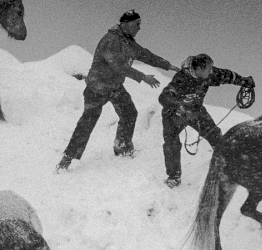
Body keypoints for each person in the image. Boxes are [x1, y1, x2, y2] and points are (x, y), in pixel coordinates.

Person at [56, 10, 177, 171]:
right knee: (87, 123)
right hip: (97, 87)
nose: (139, 28)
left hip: (115, 87)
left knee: (129, 113)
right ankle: (67, 159)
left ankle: (122, 147)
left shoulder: (129, 43)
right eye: (137, 24)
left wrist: (167, 65)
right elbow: (118, 66)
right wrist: (142, 77)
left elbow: (146, 55)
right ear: (126, 24)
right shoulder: (110, 40)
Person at [158, 54, 254, 188]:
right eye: (208, 69)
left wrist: (243, 80)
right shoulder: (181, 78)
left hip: (196, 110)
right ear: (198, 69)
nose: (211, 71)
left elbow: (226, 75)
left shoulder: (209, 74)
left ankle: (227, 166)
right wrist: (178, 107)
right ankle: (174, 177)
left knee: (214, 134)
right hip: (174, 114)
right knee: (171, 143)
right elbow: (164, 96)